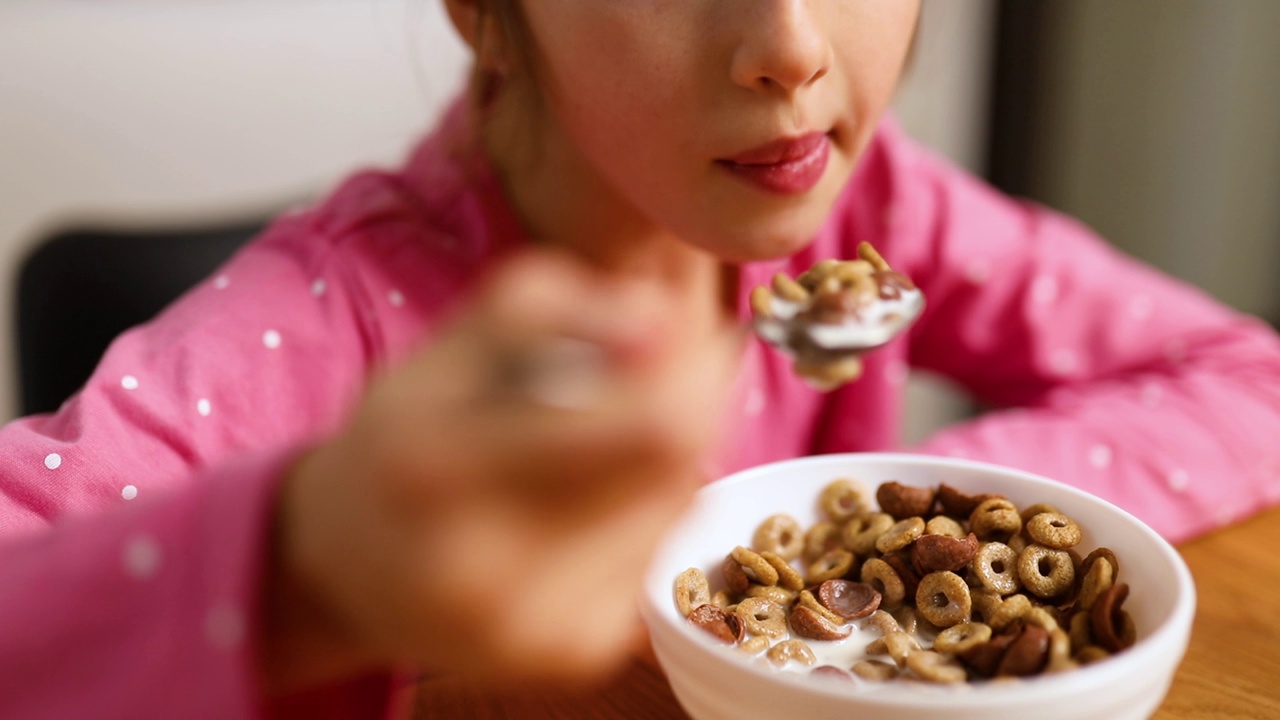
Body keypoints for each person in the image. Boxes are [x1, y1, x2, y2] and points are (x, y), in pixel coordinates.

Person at [3, 0, 1279, 717]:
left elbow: (1245, 374)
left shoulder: (876, 218)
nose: (788, 46)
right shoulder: (333, 323)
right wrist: (308, 568)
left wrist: (887, 522)